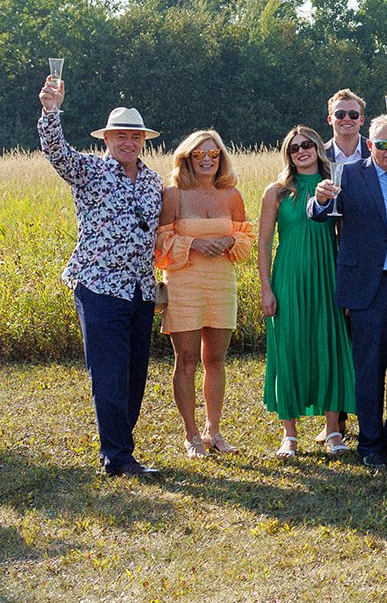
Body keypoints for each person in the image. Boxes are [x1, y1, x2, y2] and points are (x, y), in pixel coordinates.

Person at [38, 79, 164, 476]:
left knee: (134, 373)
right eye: (121, 136)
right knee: (108, 372)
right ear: (107, 138)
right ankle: (117, 455)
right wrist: (51, 111)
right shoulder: (89, 170)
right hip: (99, 286)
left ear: (143, 140)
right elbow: (55, 152)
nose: (128, 143)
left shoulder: (153, 181)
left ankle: (120, 446)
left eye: (135, 137)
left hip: (141, 289)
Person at [310, 112, 387, 469]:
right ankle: (369, 443)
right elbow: (321, 213)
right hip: (371, 287)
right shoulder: (349, 174)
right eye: (383, 144)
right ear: (370, 145)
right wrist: (320, 199)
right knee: (369, 368)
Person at [258, 126, 356, 458]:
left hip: (327, 274)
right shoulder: (277, 191)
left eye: (307, 144)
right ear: (288, 153)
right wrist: (265, 288)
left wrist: (347, 286)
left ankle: (332, 431)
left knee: (329, 344)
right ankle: (290, 434)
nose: (302, 150)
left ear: (318, 147)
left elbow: (345, 239)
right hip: (289, 275)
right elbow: (264, 242)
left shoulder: (335, 186)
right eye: (294, 147)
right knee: (289, 347)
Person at [156, 130, 254, 458]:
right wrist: (195, 243)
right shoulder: (173, 195)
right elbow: (160, 247)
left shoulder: (231, 195)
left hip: (221, 284)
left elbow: (245, 238)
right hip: (184, 284)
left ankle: (214, 431)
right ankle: (191, 435)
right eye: (199, 155)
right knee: (185, 360)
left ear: (222, 158)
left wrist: (229, 241)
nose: (207, 160)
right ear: (187, 158)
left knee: (215, 359)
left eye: (214, 154)